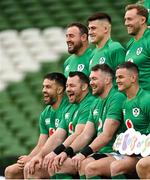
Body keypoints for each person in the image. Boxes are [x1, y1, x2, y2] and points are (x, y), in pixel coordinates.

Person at [49, 64, 125, 179]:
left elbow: (106, 135)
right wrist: (66, 152)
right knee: (58, 165)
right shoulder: (95, 103)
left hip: (118, 152)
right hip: (102, 153)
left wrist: (82, 154)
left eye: (94, 79)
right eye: (90, 79)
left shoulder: (117, 97)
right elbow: (85, 134)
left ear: (107, 80)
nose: (91, 83)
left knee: (87, 166)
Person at [24, 71, 94, 179]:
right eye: (67, 86)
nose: (68, 89)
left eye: (72, 86)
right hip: (72, 154)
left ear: (84, 87)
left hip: (86, 154)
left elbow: (79, 134)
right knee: (30, 169)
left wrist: (58, 152)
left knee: (55, 165)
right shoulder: (70, 107)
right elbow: (57, 136)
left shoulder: (89, 103)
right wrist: (39, 155)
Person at [4, 72, 69, 179]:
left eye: (48, 87)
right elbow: (41, 145)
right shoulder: (45, 113)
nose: (43, 90)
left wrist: (32, 159)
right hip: (46, 157)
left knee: (31, 169)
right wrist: (29, 157)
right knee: (11, 171)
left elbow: (60, 140)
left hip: (63, 157)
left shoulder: (68, 109)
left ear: (59, 90)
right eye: (43, 87)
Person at [109, 61, 150, 179]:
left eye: (121, 77)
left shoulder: (146, 99)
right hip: (139, 151)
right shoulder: (125, 103)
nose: (117, 81)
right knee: (116, 167)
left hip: (147, 151)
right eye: (116, 77)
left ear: (133, 78)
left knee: (142, 165)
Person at [125, 4, 150, 91]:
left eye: (129, 19)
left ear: (142, 20)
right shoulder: (130, 44)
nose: (126, 23)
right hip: (136, 100)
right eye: (125, 19)